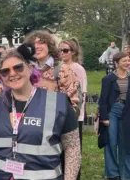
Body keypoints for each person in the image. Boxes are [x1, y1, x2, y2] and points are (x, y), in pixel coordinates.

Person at [0, 44, 81, 180]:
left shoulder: (59, 103)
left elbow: (72, 147)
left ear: (30, 67)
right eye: (5, 71)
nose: (12, 74)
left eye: (18, 67)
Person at [25, 30, 81, 113]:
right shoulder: (27, 70)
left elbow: (72, 102)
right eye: (33, 44)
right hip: (32, 121)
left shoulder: (62, 69)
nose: (36, 46)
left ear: (49, 46)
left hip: (54, 121)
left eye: (41, 43)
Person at [98, 52, 130, 180]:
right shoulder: (108, 79)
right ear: (116, 63)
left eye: (128, 60)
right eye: (124, 61)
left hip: (127, 111)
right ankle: (112, 173)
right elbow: (103, 100)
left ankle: (125, 174)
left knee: (126, 143)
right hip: (112, 112)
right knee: (111, 142)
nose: (127, 63)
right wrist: (104, 117)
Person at [59, 39, 87, 175]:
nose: (62, 53)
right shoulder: (57, 68)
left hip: (74, 113)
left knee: (73, 150)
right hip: (58, 113)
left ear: (73, 52)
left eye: (65, 50)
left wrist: (78, 114)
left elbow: (83, 93)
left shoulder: (78, 68)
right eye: (60, 50)